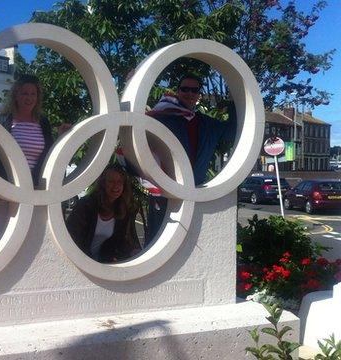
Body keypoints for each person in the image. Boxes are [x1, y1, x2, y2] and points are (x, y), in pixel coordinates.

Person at [144, 73, 236, 243]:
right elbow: (136, 127)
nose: (189, 93)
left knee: (189, 240)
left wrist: (232, 101)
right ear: (177, 91)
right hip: (165, 190)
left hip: (194, 190)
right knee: (157, 240)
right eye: (185, 89)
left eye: (194, 90)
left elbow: (231, 131)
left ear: (199, 95)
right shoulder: (163, 117)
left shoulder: (206, 124)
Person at [0, 74, 69, 242]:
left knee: (26, 239)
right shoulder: (4, 119)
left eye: (33, 94)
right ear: (16, 95)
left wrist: (60, 137)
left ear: (38, 97)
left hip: (32, 189)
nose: (29, 98)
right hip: (4, 188)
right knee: (2, 239)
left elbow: (49, 154)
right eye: (24, 93)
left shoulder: (42, 122)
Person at [66, 165, 142, 263]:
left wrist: (133, 251)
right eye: (111, 181)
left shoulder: (123, 209)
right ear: (103, 184)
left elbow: (119, 241)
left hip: (102, 263)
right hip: (79, 261)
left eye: (120, 182)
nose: (116, 186)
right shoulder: (86, 205)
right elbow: (72, 236)